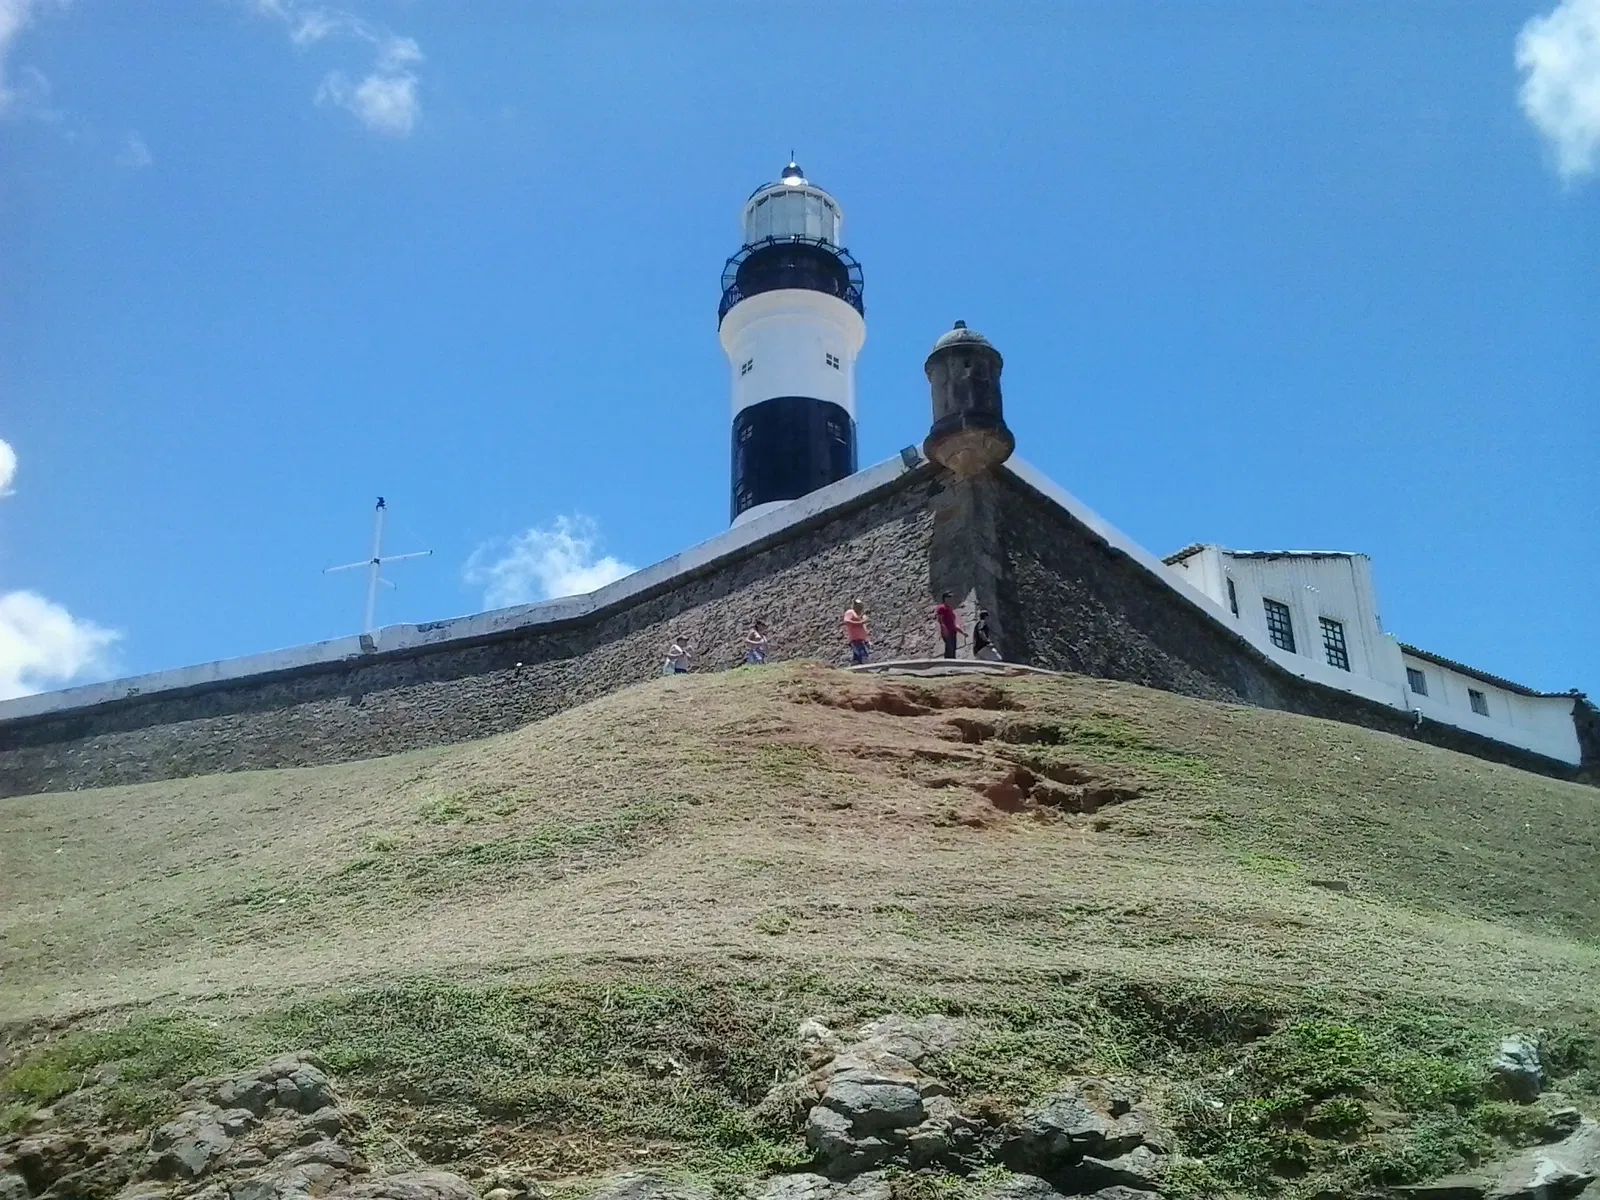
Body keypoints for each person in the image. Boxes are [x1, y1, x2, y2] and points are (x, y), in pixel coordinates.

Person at [934, 592, 964, 659]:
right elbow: (940, 619)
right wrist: (944, 628)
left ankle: (953, 663)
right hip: (947, 631)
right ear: (945, 598)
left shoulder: (950, 609)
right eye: (949, 597)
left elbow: (953, 623)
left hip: (953, 631)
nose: (951, 599)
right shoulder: (941, 607)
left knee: (953, 649)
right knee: (949, 648)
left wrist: (962, 632)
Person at [843, 601, 870, 665]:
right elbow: (846, 621)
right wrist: (859, 623)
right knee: (863, 655)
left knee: (857, 658)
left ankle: (854, 668)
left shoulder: (860, 614)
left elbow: (863, 626)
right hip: (855, 639)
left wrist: (867, 638)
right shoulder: (850, 612)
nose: (860, 607)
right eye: (858, 606)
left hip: (862, 639)